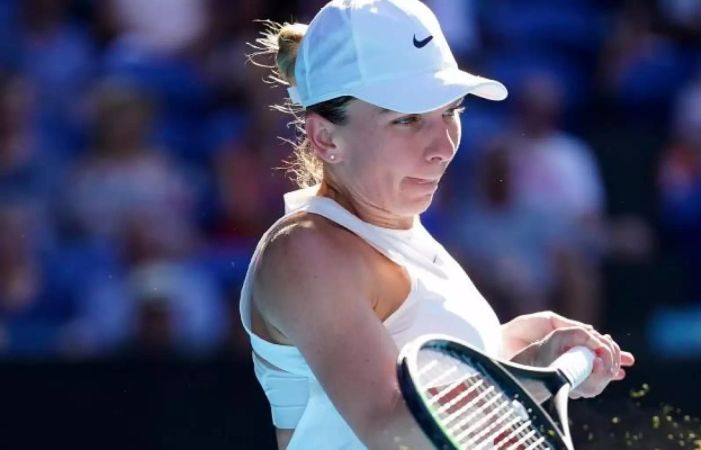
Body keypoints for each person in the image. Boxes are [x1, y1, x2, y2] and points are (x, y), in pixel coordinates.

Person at [239, 1, 635, 449]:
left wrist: (522, 346)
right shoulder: (305, 252)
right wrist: (537, 376)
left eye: (451, 111)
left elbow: (436, 383)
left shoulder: (404, 233)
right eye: (407, 120)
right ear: (326, 137)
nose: (443, 146)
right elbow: (395, 431)